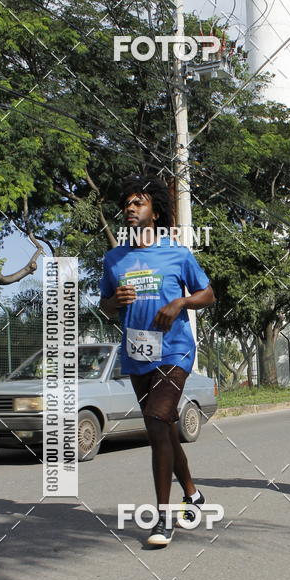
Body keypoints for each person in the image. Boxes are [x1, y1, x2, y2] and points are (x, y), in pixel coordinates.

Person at [99, 175, 215, 547]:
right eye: (127, 204)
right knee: (161, 428)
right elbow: (105, 305)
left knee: (156, 419)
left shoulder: (176, 253)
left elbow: (208, 294)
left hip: (175, 350)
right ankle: (193, 493)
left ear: (155, 212)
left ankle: (163, 518)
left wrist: (181, 302)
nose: (131, 209)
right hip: (137, 352)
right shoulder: (114, 258)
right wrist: (114, 301)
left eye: (139, 202)